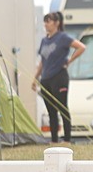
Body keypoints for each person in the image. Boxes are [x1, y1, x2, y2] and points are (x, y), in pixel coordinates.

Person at [32, 12, 85, 145]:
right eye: (45, 21)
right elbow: (42, 61)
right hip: (46, 79)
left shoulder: (63, 38)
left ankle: (67, 139)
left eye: (48, 21)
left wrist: (69, 60)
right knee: (51, 111)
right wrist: (35, 78)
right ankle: (54, 139)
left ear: (57, 23)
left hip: (59, 77)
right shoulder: (44, 40)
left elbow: (81, 47)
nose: (45, 24)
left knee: (62, 108)